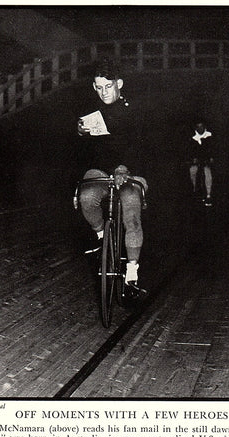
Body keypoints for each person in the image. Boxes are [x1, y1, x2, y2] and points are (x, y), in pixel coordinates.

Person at [76, 58, 148, 299]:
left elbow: (143, 146)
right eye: (99, 87)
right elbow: (83, 154)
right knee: (87, 197)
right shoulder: (90, 112)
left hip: (131, 170)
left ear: (119, 84)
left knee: (130, 210)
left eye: (108, 86)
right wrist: (79, 134)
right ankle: (101, 238)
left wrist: (125, 168)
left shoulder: (136, 111)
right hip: (102, 172)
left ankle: (132, 272)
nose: (103, 92)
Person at [188, 121, 214, 207]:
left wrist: (211, 158)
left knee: (207, 173)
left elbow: (213, 149)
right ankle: (194, 188)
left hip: (207, 160)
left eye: (201, 126)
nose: (200, 129)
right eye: (198, 127)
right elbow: (190, 150)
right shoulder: (193, 138)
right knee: (192, 171)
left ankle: (208, 195)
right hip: (197, 160)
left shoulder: (210, 135)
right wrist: (193, 159)